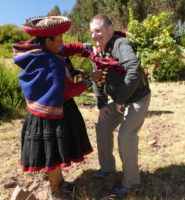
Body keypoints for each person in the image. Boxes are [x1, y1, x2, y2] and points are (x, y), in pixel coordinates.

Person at [12, 16, 102, 200]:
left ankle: (59, 183)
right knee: (52, 156)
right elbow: (69, 92)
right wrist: (90, 79)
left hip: (40, 112)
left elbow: (66, 48)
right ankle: (56, 192)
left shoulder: (36, 51)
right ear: (48, 40)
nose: (62, 43)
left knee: (53, 152)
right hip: (52, 115)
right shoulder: (53, 63)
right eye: (59, 39)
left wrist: (86, 47)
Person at [89, 14, 151, 197]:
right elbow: (96, 79)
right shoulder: (98, 51)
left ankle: (132, 184)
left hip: (136, 98)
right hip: (118, 100)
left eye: (98, 30)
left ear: (110, 29)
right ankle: (108, 168)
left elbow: (135, 69)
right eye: (92, 32)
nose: (94, 35)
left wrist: (121, 99)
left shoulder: (120, 44)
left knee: (125, 136)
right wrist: (101, 105)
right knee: (102, 127)